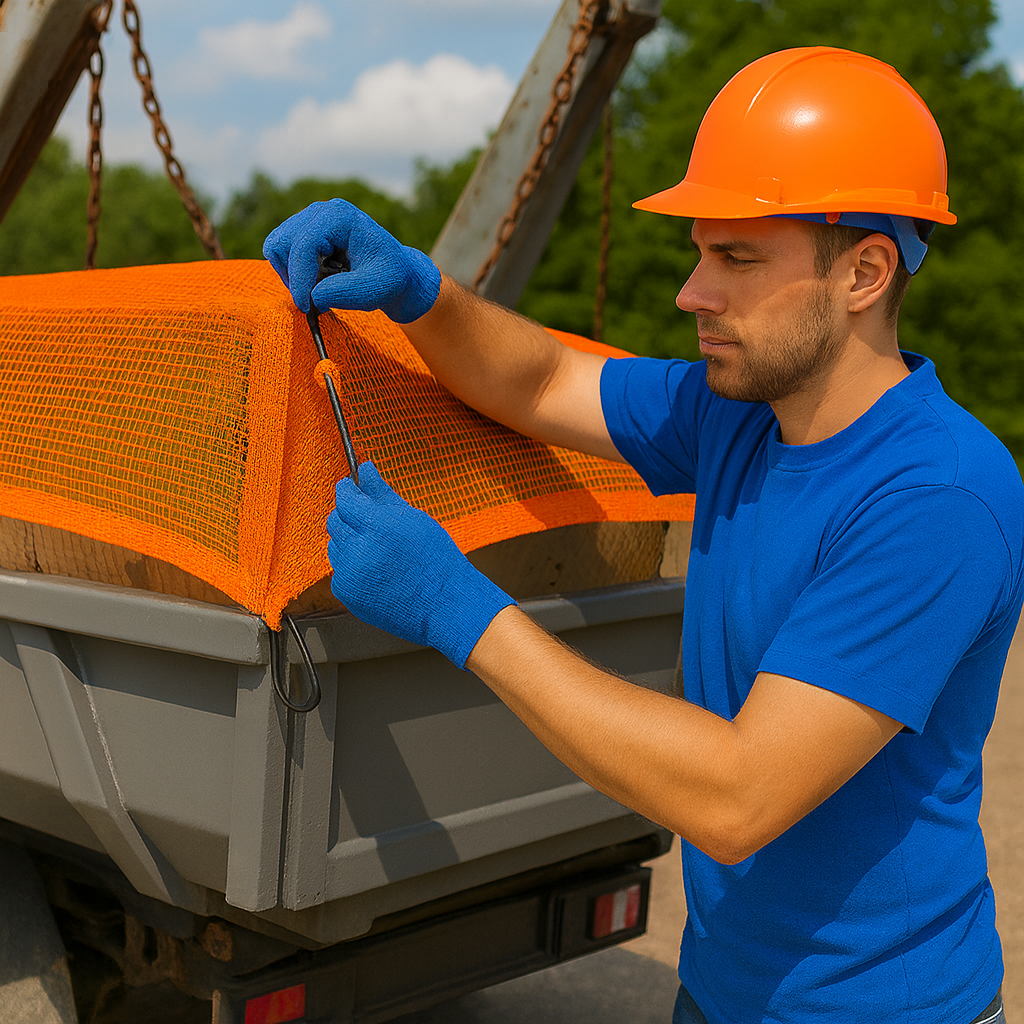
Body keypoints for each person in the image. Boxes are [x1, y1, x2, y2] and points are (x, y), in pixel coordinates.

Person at [264, 46, 1021, 1024]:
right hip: (718, 992)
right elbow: (539, 380)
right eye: (701, 251)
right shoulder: (737, 412)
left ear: (865, 271)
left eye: (737, 258)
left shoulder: (935, 496)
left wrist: (457, 607)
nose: (690, 293)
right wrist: (421, 292)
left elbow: (737, 796)